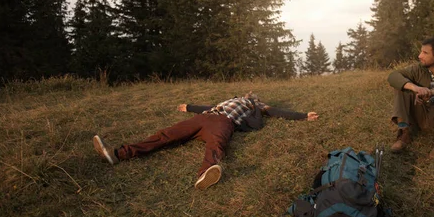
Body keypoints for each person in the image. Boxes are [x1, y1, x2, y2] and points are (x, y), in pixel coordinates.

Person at [93, 92, 319, 189]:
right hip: (205, 117)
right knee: (165, 135)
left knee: (216, 144)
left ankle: (206, 173)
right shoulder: (231, 99)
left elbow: (278, 111)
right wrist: (189, 107)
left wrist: (303, 116)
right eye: (248, 95)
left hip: (223, 123)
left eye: (253, 96)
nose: (250, 96)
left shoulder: (257, 107)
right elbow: (208, 107)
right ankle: (116, 154)